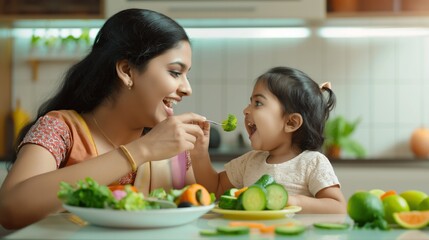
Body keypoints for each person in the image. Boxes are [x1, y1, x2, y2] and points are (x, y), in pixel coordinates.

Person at [0, 8, 207, 229]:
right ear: (127, 71)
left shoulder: (175, 151)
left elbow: (196, 221)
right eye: (175, 72)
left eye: (187, 75)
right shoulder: (61, 129)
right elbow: (10, 210)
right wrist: (140, 151)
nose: (187, 89)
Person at [191, 66, 347, 214]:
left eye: (258, 103)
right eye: (250, 102)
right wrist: (199, 154)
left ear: (291, 122)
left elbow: (338, 207)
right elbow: (215, 189)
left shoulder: (312, 162)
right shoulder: (248, 162)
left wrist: (292, 201)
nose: (246, 110)